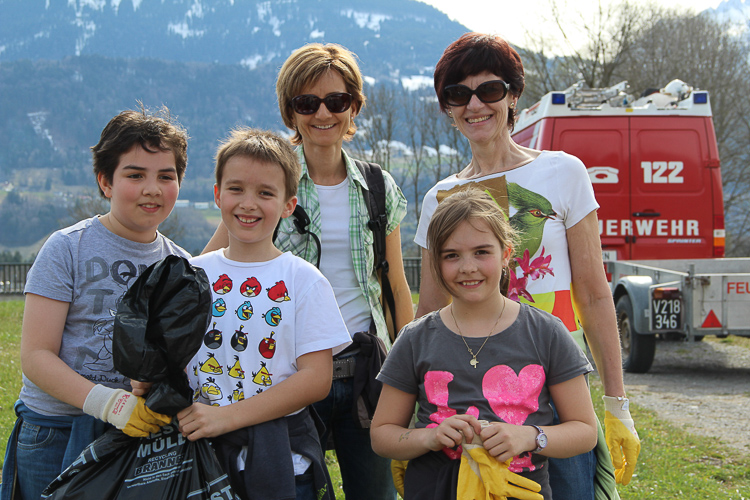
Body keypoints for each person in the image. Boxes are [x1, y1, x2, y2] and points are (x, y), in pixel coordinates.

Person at [413, 33, 640, 498]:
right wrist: (415, 421)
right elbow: (430, 315)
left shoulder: (563, 172)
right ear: (447, 108)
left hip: (558, 391)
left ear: (513, 95)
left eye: (489, 90)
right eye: (458, 94)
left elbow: (594, 293)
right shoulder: (439, 199)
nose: (475, 105)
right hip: (471, 396)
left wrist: (616, 401)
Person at [203, 43, 413, 499]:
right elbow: (212, 274)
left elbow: (395, 286)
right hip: (288, 374)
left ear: (353, 106)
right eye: (307, 102)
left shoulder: (377, 186)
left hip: (366, 371)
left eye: (336, 100)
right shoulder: (269, 183)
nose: (322, 113)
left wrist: (411, 368)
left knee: (374, 492)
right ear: (290, 110)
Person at [0, 105, 189, 500]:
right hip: (56, 430)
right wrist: (109, 403)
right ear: (105, 182)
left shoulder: (181, 266)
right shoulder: (67, 248)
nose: (152, 188)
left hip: (136, 435)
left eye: (165, 176)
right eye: (135, 175)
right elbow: (35, 356)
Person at [371, 189, 598, 500]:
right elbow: (382, 435)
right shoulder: (415, 338)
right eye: (451, 255)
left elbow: (585, 431)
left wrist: (530, 437)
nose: (468, 267)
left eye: (481, 252)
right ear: (436, 262)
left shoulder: (546, 333)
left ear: (506, 253)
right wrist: (429, 437)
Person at [181, 128, 351, 500]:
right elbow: (172, 358)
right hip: (199, 461)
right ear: (217, 194)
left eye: (265, 193)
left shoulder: (303, 280)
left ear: (288, 205)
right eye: (236, 189)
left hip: (284, 463)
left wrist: (226, 417)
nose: (248, 203)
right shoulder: (193, 275)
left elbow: (316, 379)